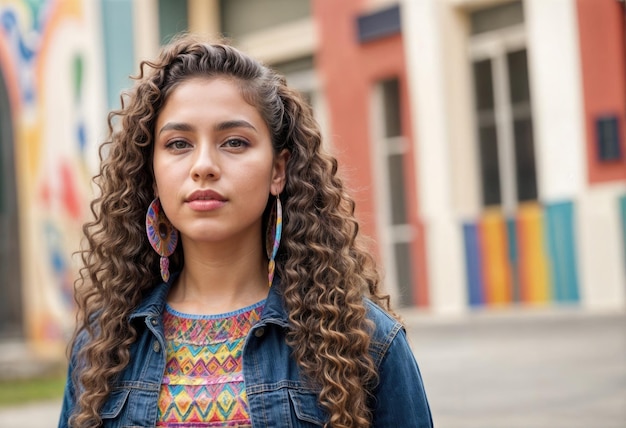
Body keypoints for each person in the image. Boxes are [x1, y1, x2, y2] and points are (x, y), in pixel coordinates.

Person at [58, 34, 433, 428]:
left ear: (278, 170)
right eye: (179, 143)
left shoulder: (363, 342)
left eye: (234, 142)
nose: (203, 165)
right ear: (151, 172)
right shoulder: (102, 347)